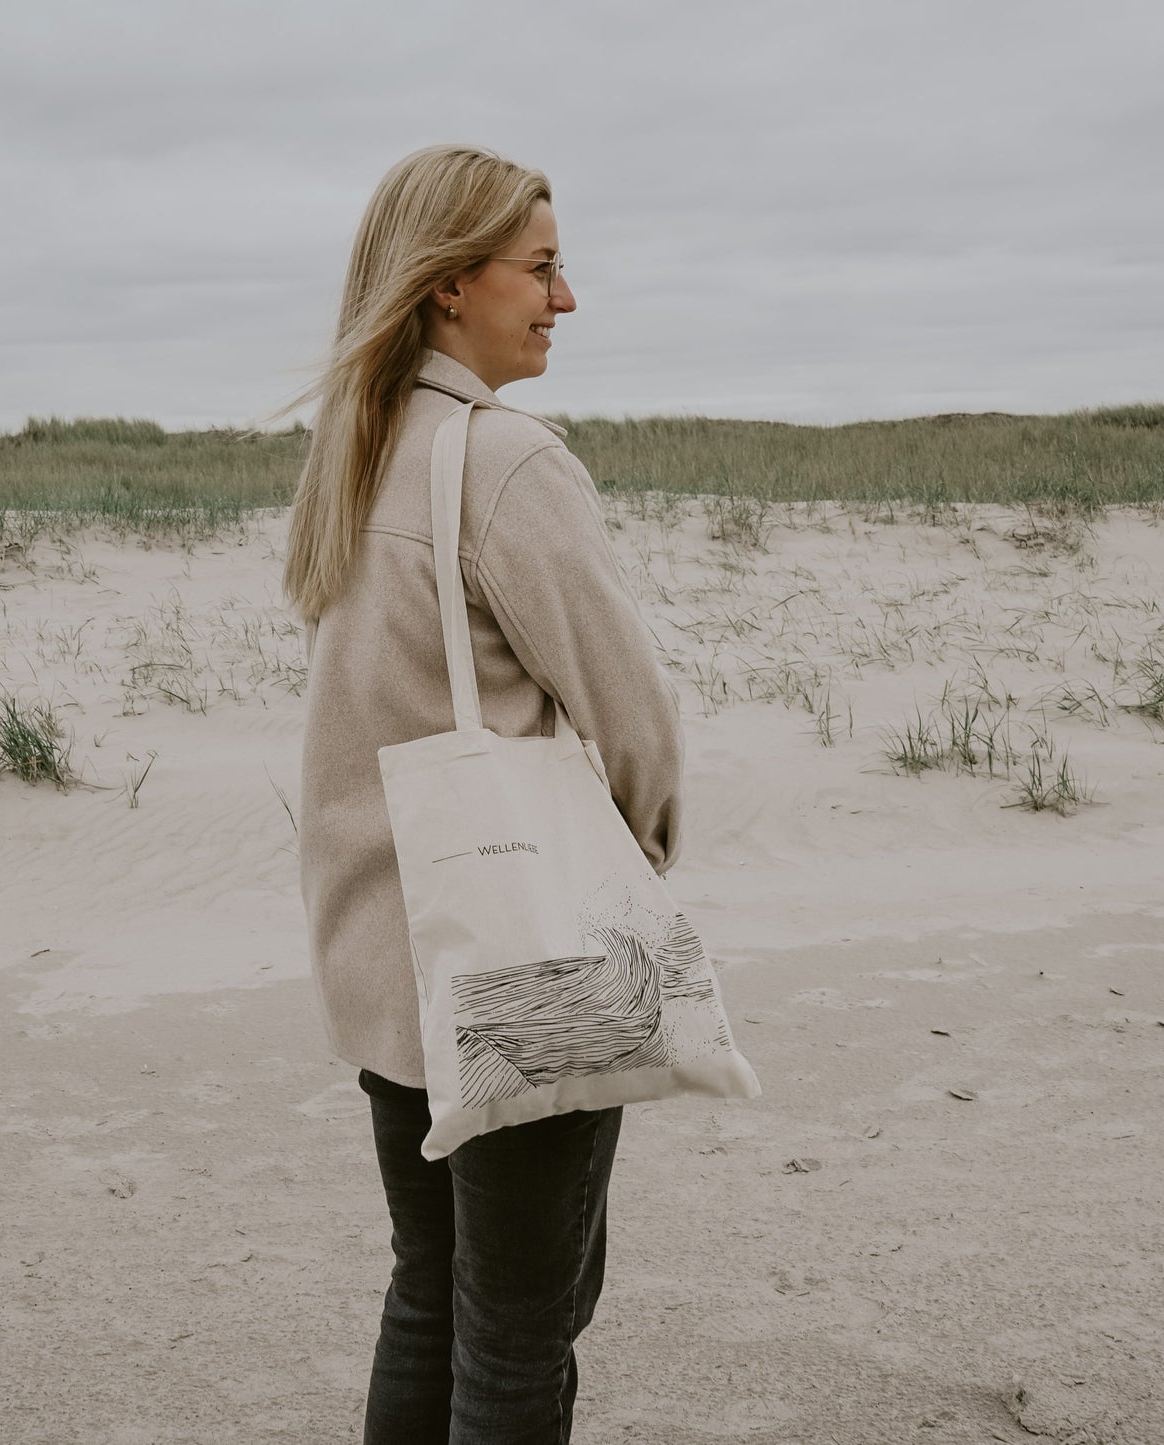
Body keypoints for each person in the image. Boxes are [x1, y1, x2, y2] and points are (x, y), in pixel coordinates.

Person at [284, 144, 686, 1445]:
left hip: (385, 960)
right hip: (519, 956)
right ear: (451, 283)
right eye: (542, 268)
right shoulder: (503, 462)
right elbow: (636, 727)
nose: (564, 299)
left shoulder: (361, 445)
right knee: (520, 1330)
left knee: (430, 1293)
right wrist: (634, 869)